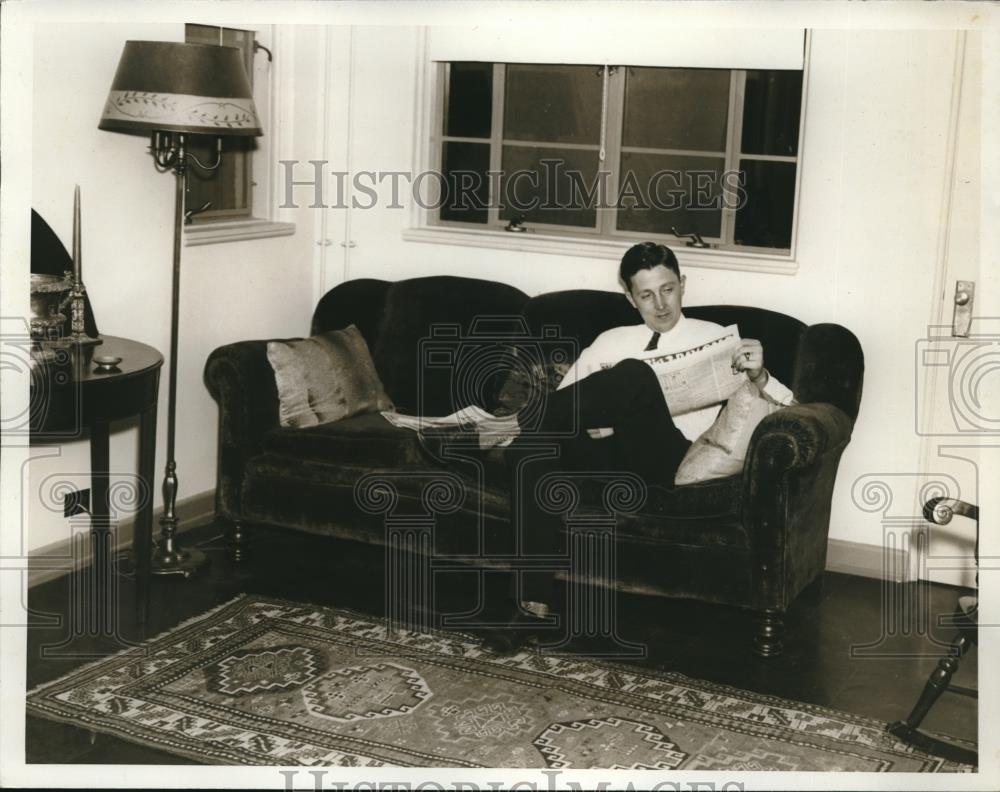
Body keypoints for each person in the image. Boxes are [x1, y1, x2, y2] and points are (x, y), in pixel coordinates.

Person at [483, 241, 794, 654]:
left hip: (665, 457)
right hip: (607, 457)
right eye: (646, 294)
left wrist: (761, 376)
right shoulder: (609, 340)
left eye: (668, 289)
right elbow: (565, 406)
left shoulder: (719, 340)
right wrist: (593, 425)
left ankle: (501, 426)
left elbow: (791, 407)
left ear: (683, 284)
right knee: (532, 452)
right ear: (630, 297)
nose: (660, 304)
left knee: (633, 375)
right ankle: (530, 609)